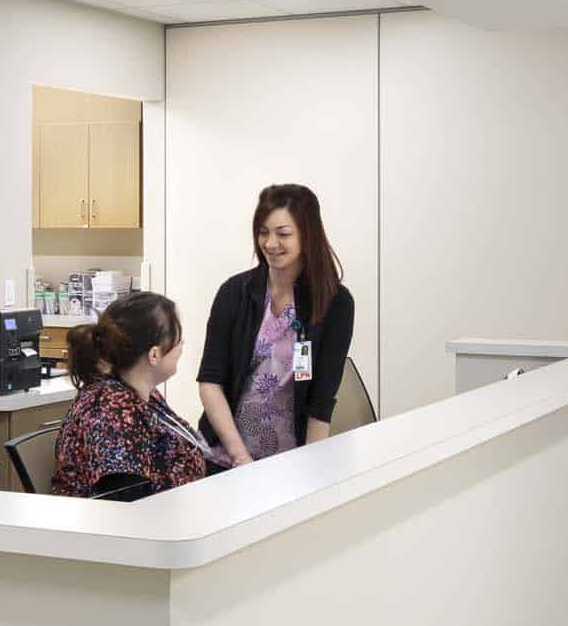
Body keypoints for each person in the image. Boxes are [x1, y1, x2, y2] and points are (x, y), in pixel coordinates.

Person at [198, 184, 357, 467]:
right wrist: (240, 457)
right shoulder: (234, 293)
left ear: (308, 236)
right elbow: (211, 382)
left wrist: (311, 468)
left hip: (291, 463)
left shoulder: (335, 303)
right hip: (226, 457)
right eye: (263, 232)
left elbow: (322, 401)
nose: (270, 243)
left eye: (283, 234)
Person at [51, 291, 207, 499]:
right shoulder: (110, 410)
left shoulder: (142, 394)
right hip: (131, 525)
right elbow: (124, 502)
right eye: (178, 340)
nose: (182, 345)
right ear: (154, 354)